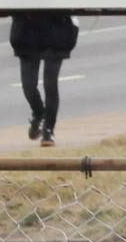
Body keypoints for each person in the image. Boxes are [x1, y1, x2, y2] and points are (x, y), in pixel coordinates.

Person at [8, 11, 77, 147]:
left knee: (50, 83)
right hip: (28, 31)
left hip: (56, 30)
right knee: (28, 86)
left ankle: (49, 129)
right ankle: (39, 113)